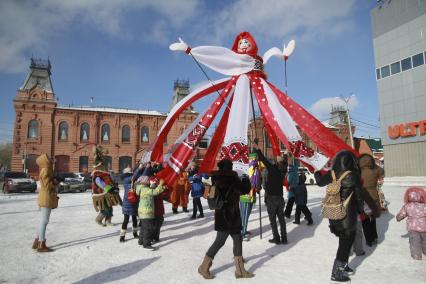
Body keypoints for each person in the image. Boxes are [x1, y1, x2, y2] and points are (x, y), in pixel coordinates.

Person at [198, 159, 253, 279]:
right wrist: (246, 180)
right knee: (220, 241)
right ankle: (203, 267)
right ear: (229, 167)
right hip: (231, 215)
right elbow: (244, 190)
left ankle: (240, 270)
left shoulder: (215, 177)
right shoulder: (232, 178)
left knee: (237, 239)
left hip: (222, 214)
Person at [315, 150, 364, 283]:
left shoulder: (332, 173)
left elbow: (319, 182)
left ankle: (344, 265)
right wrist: (361, 210)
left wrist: (317, 172)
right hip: (348, 215)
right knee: (346, 242)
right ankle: (336, 273)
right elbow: (359, 196)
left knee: (344, 241)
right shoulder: (353, 175)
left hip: (334, 213)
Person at [255, 148, 288, 245]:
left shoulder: (273, 169)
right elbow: (284, 161)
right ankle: (284, 238)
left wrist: (258, 149)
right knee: (281, 219)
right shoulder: (283, 169)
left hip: (272, 198)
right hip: (280, 198)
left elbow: (263, 159)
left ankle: (276, 238)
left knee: (273, 220)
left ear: (277, 163)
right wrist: (285, 155)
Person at [32, 153, 59, 252]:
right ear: (45, 161)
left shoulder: (46, 169)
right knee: (44, 221)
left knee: (42, 221)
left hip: (44, 197)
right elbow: (47, 185)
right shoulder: (46, 170)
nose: (51, 159)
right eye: (49, 158)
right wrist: (55, 182)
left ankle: (37, 241)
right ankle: (41, 244)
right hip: (46, 198)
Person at [358, 153, 383, 246]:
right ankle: (375, 237)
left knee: (365, 220)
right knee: (373, 218)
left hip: (363, 197)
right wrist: (374, 165)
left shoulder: (358, 171)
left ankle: (369, 240)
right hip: (374, 196)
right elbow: (382, 171)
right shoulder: (375, 170)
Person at [396, 186, 426, 260]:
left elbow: (401, 214)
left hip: (413, 228)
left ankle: (416, 255)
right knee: (425, 240)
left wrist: (398, 217)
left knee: (414, 242)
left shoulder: (407, 206)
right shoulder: (424, 206)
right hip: (424, 227)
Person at [136, 176, 165, 250]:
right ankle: (146, 244)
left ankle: (141, 241)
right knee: (148, 229)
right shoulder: (145, 189)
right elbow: (155, 192)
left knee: (143, 228)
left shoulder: (141, 188)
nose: (149, 181)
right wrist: (160, 184)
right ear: (144, 182)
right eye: (148, 180)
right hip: (147, 212)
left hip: (143, 211)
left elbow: (151, 190)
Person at [119, 167, 138, 243]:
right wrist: (139, 169)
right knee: (129, 220)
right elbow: (136, 176)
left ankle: (123, 236)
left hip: (130, 202)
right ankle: (124, 236)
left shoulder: (127, 179)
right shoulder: (128, 179)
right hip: (130, 202)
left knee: (131, 219)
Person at [284, 153, 299, 218]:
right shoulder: (292, 170)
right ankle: (287, 213)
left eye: (288, 158)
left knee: (292, 200)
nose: (288, 160)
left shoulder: (293, 169)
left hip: (292, 187)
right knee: (296, 201)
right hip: (292, 187)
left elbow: (290, 181)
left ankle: (287, 213)